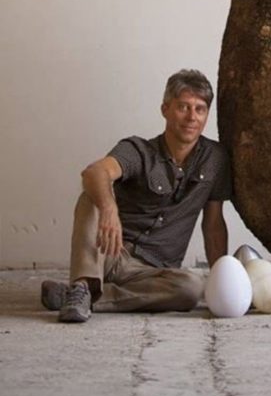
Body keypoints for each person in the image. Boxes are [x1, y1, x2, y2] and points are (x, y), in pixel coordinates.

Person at [41, 69, 231, 323]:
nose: (191, 117)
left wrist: (223, 280)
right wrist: (109, 210)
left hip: (153, 274)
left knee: (191, 288)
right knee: (91, 196)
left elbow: (214, 224)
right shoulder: (138, 150)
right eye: (183, 107)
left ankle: (82, 296)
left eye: (200, 109)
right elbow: (95, 172)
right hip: (108, 253)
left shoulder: (215, 159)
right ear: (165, 109)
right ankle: (84, 283)